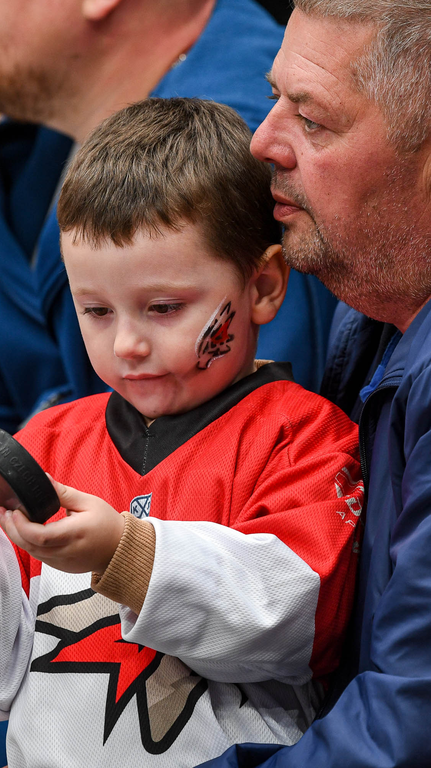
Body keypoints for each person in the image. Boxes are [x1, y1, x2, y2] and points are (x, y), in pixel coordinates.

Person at [0, 1, 337, 766]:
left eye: (165, 309)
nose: (129, 344)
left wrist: (127, 551)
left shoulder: (298, 428)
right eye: (96, 311)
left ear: (264, 289)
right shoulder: (53, 436)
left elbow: (304, 622)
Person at [198, 1, 431, 767]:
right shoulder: (368, 305)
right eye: (274, 98)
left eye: (314, 121)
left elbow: (403, 732)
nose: (263, 140)